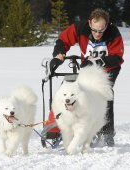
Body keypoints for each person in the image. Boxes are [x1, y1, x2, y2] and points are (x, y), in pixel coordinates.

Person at [52, 8, 124, 146]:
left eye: (101, 31)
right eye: (95, 30)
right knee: (74, 91)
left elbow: (117, 57)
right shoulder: (80, 28)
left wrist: (99, 61)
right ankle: (65, 126)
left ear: (107, 26)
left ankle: (107, 133)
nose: (97, 34)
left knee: (102, 94)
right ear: (90, 23)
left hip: (108, 69)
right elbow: (63, 40)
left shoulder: (113, 32)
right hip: (88, 68)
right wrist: (59, 54)